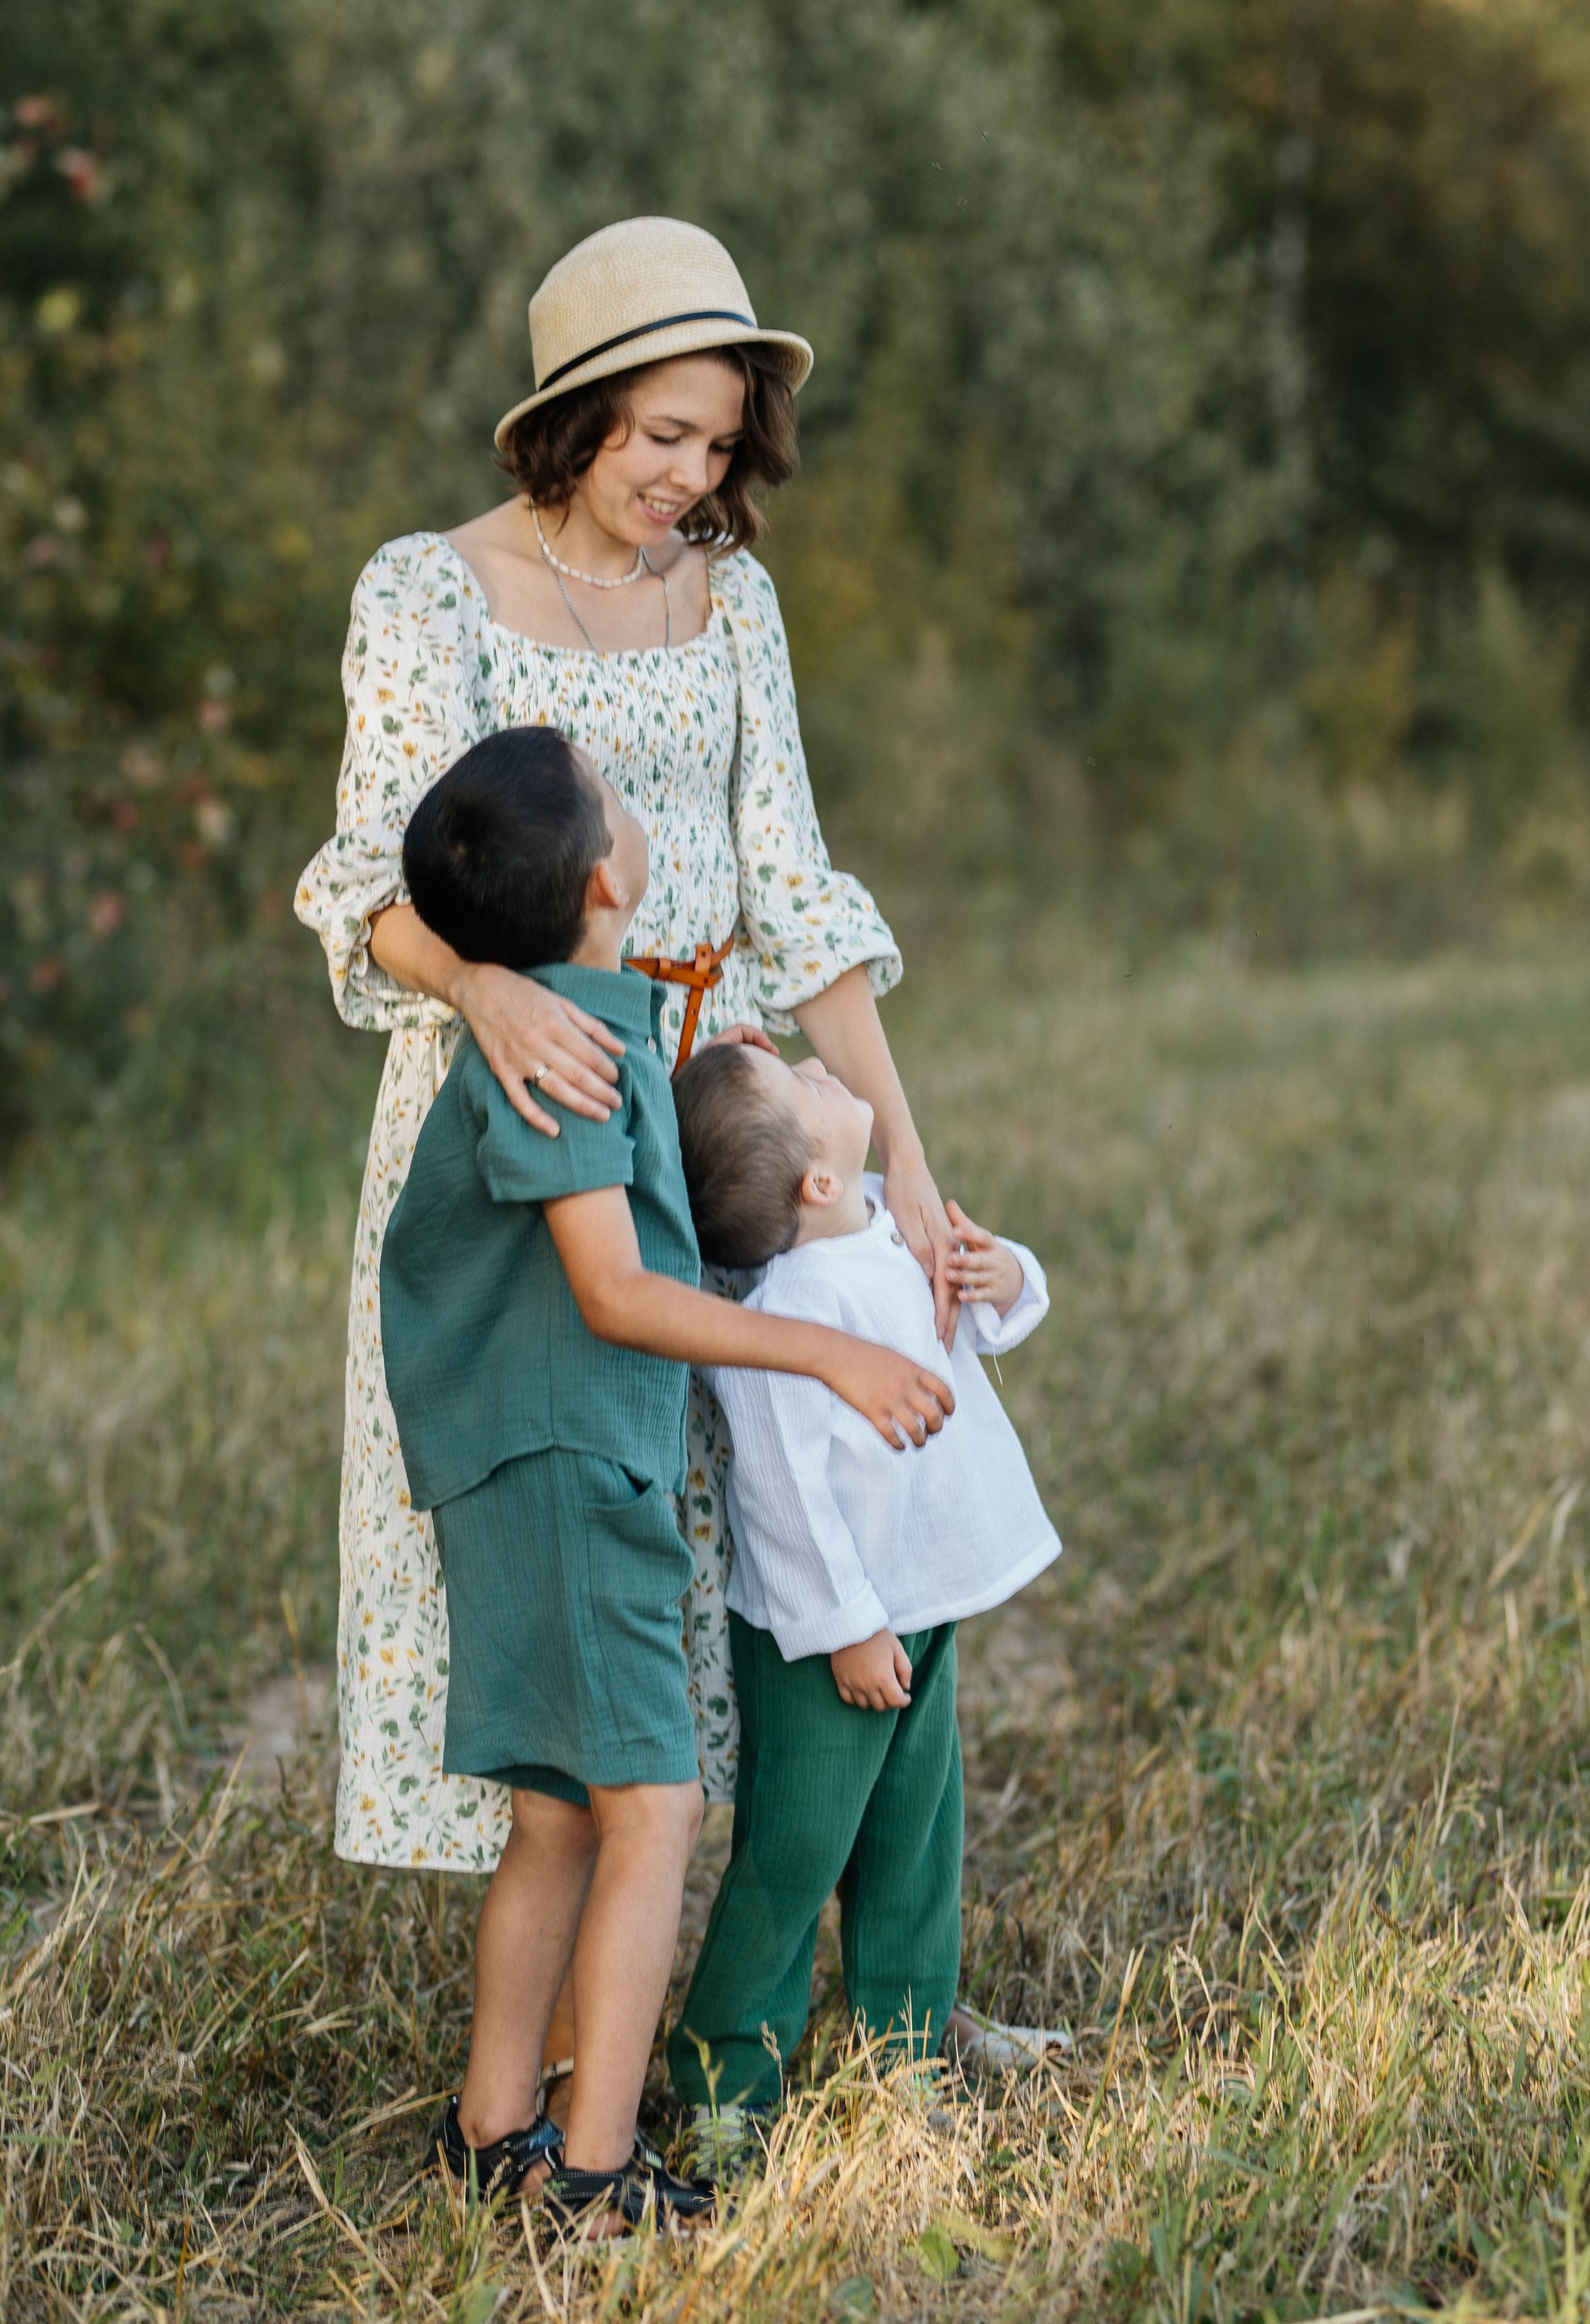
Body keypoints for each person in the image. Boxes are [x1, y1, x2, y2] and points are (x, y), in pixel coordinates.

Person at [295, 216, 974, 1947]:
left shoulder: (728, 597)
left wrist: (902, 1165)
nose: (692, 478)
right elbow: (367, 874)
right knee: (565, 1516)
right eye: (663, 434)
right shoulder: (427, 588)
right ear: (571, 415)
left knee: (785, 1504)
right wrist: (487, 994)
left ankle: (809, 1955)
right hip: (528, 1098)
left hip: (724, 1114)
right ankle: (568, 1965)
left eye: (721, 446)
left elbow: (793, 885)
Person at [379, 728, 957, 2230]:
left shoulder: (583, 1029)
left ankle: (491, 2128)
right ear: (604, 878)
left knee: (566, 1812)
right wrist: (825, 1356)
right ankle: (593, 2167)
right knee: (655, 1808)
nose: (638, 809)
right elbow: (614, 1291)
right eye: (617, 797)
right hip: (563, 1467)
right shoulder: (568, 1055)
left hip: (554, 1462)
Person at [664, 1039, 1067, 2167]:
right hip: (825, 1639)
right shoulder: (787, 1316)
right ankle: (726, 2078)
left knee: (916, 1833)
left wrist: (1007, 1277)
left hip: (921, 1598)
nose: (817, 1062)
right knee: (796, 1852)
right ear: (815, 1180)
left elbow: (989, 1314)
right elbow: (782, 1498)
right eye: (807, 1084)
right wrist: (847, 1628)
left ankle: (907, 2053)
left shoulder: (893, 1222)